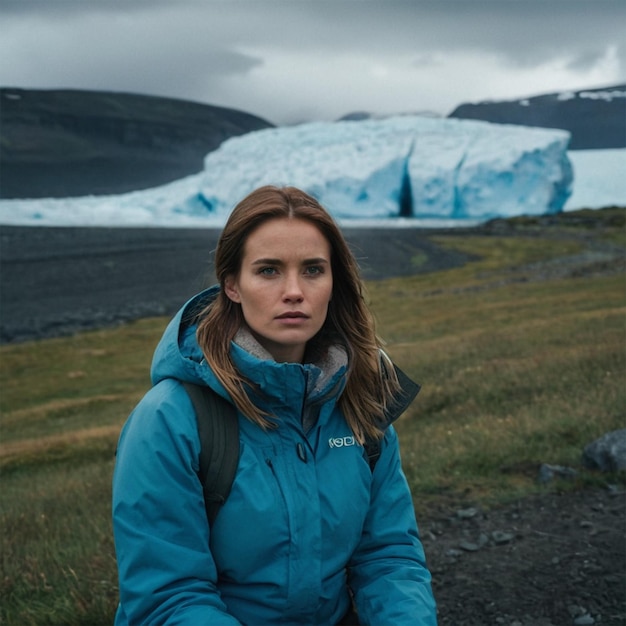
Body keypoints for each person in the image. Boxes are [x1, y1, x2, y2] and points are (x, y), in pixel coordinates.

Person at [112, 185, 437, 625]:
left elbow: (388, 557)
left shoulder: (360, 399)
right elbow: (170, 598)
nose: (294, 291)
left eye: (313, 270)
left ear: (333, 281)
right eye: (268, 270)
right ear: (232, 285)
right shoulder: (170, 420)